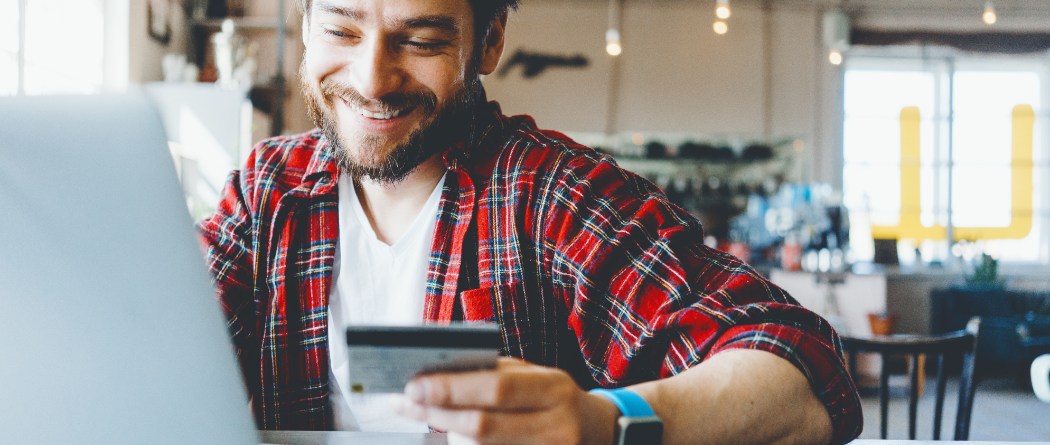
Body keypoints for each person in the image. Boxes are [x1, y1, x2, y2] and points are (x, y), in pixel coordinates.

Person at [197, 0, 863, 443]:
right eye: (340, 30)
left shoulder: (553, 196)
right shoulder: (266, 196)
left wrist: (607, 420)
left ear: (488, 43)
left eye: (421, 39)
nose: (372, 78)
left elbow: (802, 370)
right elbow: (155, 350)